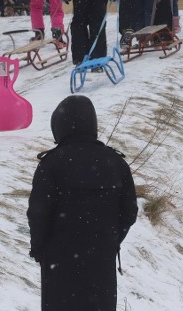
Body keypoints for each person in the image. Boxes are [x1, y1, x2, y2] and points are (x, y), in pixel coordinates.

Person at [27, 95, 138, 310]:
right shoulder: (115, 163)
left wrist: (40, 249)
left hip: (59, 261)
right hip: (101, 261)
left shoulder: (51, 164)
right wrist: (111, 240)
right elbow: (129, 211)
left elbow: (38, 213)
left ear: (58, 126)